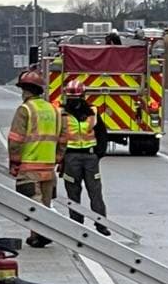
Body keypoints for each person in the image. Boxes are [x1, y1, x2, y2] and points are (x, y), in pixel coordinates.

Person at [7, 69, 61, 247]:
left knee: (32, 204)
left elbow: (15, 140)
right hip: (48, 168)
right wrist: (58, 158)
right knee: (44, 204)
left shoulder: (25, 110)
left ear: (25, 90)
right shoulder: (54, 110)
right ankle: (36, 236)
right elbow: (63, 138)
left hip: (29, 166)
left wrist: (14, 162)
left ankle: (41, 233)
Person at [59, 80, 111, 236]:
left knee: (95, 192)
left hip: (89, 157)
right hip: (70, 157)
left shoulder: (92, 112)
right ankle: (76, 224)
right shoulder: (61, 113)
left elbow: (101, 133)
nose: (74, 101)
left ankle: (101, 224)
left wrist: (98, 153)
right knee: (73, 193)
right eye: (72, 98)